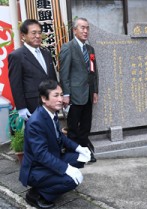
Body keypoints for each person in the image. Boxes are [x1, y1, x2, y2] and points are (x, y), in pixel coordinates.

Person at [20, 79, 91, 209]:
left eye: (61, 94)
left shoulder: (51, 113)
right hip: (36, 169)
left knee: (81, 159)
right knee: (71, 180)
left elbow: (61, 137)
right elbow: (41, 155)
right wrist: (66, 169)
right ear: (44, 99)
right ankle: (36, 194)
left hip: (52, 157)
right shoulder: (36, 122)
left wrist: (79, 148)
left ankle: (51, 184)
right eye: (56, 95)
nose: (60, 99)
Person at [59, 17, 98, 162]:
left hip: (88, 94)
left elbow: (94, 72)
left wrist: (95, 91)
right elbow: (64, 73)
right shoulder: (68, 47)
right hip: (74, 95)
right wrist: (66, 94)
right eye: (82, 28)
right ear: (74, 30)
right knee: (73, 128)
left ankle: (85, 151)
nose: (86, 31)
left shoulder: (90, 49)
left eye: (87, 28)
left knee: (86, 126)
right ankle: (73, 155)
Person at [8, 19, 57, 121]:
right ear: (23, 36)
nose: (38, 36)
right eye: (33, 33)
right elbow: (16, 84)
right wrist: (21, 107)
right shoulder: (17, 56)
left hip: (50, 103)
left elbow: (52, 78)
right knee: (37, 135)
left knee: (52, 133)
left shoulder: (46, 53)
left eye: (39, 33)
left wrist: (58, 97)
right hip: (32, 104)